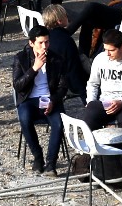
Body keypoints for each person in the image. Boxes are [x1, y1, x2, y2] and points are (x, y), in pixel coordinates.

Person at [12, 29, 77, 174]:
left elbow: (63, 87)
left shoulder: (57, 59)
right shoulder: (21, 58)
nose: (44, 46)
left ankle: (50, 164)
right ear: (31, 43)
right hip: (29, 99)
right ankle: (37, 157)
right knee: (24, 118)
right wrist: (34, 68)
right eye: (40, 42)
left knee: (59, 123)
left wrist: (53, 100)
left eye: (47, 42)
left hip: (50, 99)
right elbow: (17, 86)